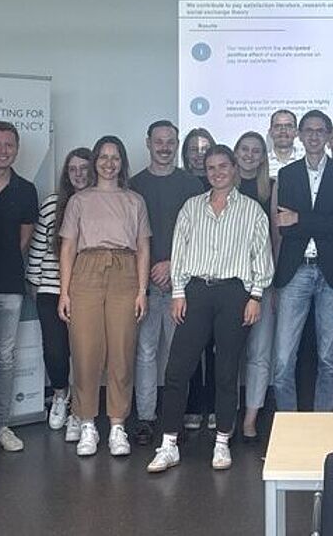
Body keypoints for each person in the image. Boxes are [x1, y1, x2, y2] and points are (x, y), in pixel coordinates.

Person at [147, 145, 274, 473]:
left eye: (223, 166)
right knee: (177, 369)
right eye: (211, 168)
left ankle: (222, 441)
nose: (217, 173)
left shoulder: (252, 211)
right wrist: (178, 293)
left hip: (235, 294)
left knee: (227, 371)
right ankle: (169, 444)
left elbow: (261, 255)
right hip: (196, 292)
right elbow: (180, 250)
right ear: (206, 172)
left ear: (234, 169)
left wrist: (255, 296)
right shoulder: (192, 207)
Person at [58, 136, 150, 457]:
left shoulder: (134, 200)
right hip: (86, 270)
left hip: (125, 270)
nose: (109, 163)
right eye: (103, 157)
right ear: (95, 161)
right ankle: (87, 423)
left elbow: (143, 247)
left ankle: (117, 425)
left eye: (115, 157)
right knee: (85, 350)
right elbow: (68, 247)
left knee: (122, 350)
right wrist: (64, 292)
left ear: (122, 162)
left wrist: (142, 290)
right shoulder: (79, 200)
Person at [271, 110, 333, 412]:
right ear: (299, 135)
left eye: (320, 131)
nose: (314, 136)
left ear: (329, 136)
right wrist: (311, 221)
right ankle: (288, 424)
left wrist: (301, 218)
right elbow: (285, 227)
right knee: (283, 359)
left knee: (328, 359)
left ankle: (323, 424)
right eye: (308, 130)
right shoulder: (288, 174)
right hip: (296, 271)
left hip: (332, 272)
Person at [130, 121, 204, 445]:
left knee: (178, 355)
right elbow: (128, 236)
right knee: (145, 353)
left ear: (177, 144)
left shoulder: (192, 185)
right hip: (143, 286)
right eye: (158, 141)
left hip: (180, 286)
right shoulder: (133, 185)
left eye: (170, 141)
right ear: (148, 143)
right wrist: (146, 270)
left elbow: (201, 235)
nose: (164, 147)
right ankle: (146, 419)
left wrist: (173, 264)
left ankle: (175, 417)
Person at [0, 121, 39, 452]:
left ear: (16, 149)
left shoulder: (26, 189)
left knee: (3, 357)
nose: (2, 151)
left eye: (9, 145)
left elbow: (24, 239)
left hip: (8, 284)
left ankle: (0, 424)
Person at [26, 148, 93, 432]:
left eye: (84, 168)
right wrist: (34, 281)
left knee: (84, 352)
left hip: (88, 291)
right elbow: (38, 246)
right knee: (55, 350)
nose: (78, 174)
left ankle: (80, 405)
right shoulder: (52, 204)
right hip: (51, 289)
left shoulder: (100, 203)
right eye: (72, 169)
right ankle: (59, 395)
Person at [233, 131, 276, 439]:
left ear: (263, 158)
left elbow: (276, 236)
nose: (249, 155)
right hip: (229, 282)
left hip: (262, 281)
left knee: (259, 353)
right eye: (244, 149)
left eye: (256, 151)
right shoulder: (221, 186)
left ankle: (251, 417)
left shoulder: (271, 188)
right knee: (230, 353)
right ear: (235, 153)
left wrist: (272, 282)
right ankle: (229, 414)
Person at [180, 127, 219, 430]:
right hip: (190, 277)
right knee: (192, 347)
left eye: (204, 148)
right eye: (193, 149)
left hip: (218, 278)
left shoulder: (221, 185)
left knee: (217, 349)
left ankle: (215, 406)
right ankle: (193, 404)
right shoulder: (181, 184)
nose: (198, 154)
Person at [267, 109, 306, 178]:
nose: (283, 131)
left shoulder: (306, 161)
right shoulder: (262, 162)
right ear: (270, 132)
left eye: (288, 126)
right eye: (278, 126)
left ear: (296, 132)